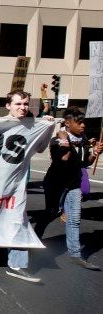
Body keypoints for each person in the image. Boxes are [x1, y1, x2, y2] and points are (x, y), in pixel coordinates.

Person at [0, 90, 54, 282]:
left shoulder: (32, 126)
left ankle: (16, 264)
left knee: (17, 222)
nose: (23, 108)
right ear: (8, 106)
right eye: (18, 104)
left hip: (16, 186)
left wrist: (47, 128)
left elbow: (40, 148)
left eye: (25, 104)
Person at [39, 106, 101, 270]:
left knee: (74, 219)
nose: (83, 126)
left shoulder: (83, 140)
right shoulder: (57, 140)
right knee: (51, 213)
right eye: (79, 123)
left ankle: (75, 255)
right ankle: (35, 239)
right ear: (67, 122)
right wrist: (65, 139)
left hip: (73, 185)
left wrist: (94, 153)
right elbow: (64, 159)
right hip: (55, 183)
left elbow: (85, 163)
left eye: (84, 123)